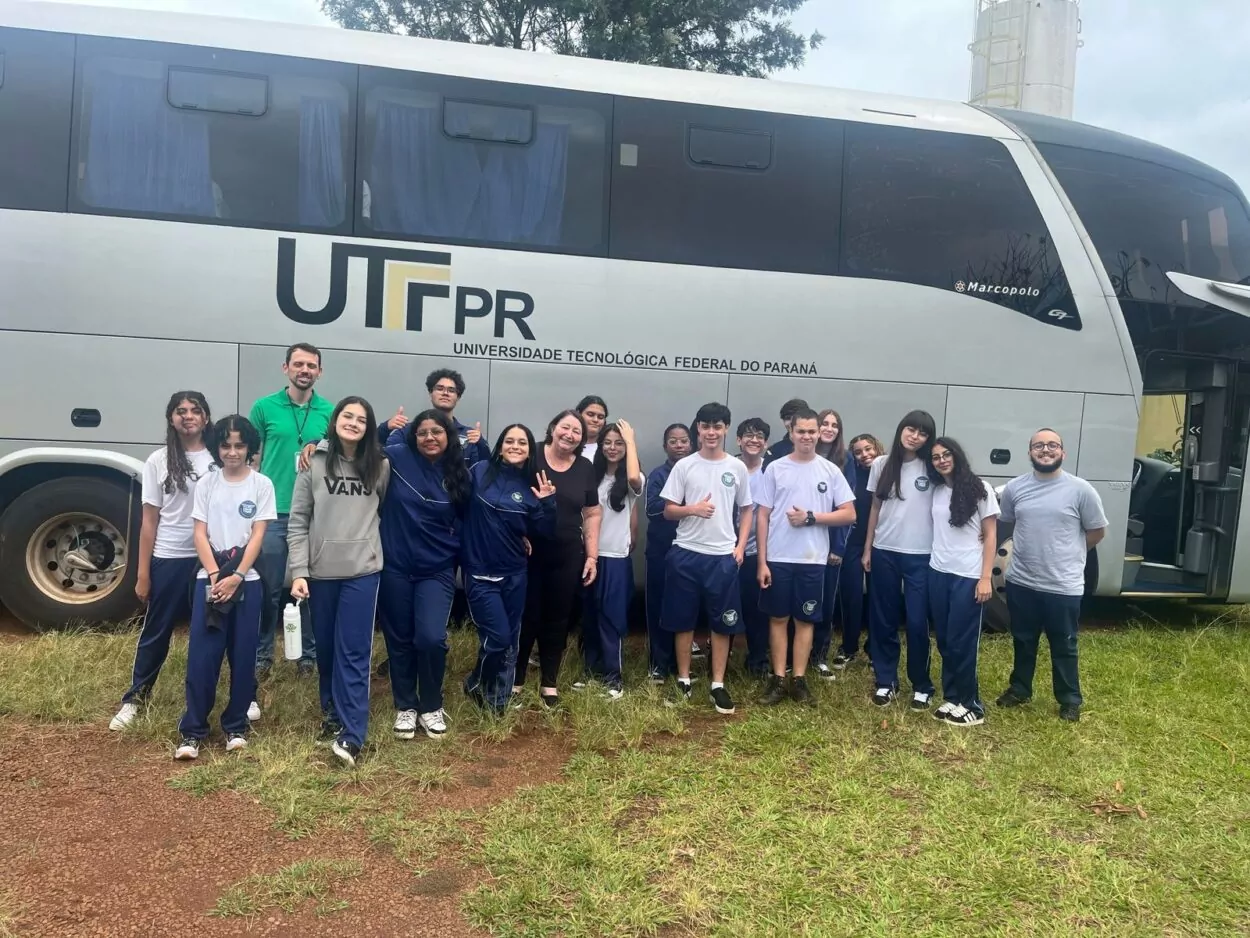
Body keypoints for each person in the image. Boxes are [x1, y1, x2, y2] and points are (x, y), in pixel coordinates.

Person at [288, 397, 389, 768]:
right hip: (321, 572)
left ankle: (352, 733)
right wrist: (299, 571)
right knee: (327, 649)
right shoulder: (312, 462)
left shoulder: (379, 465)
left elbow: (382, 510)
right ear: (335, 421)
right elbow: (298, 521)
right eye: (348, 416)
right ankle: (330, 713)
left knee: (355, 652)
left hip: (363, 571)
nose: (354, 423)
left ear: (369, 427)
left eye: (362, 419)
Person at [110, 392, 215, 732]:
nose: (188, 416)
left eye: (195, 410)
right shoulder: (158, 460)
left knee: (210, 631)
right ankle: (136, 698)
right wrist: (142, 574)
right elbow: (149, 521)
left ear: (206, 418)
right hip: (169, 557)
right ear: (171, 419)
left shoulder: (220, 456)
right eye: (180, 411)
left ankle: (207, 701)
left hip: (210, 560)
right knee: (158, 630)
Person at [175, 415, 275, 760]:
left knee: (243, 656)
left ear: (249, 447)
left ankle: (236, 726)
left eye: (239, 445)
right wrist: (217, 575)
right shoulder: (207, 483)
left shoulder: (262, 484)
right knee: (203, 658)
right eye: (226, 445)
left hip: (248, 581)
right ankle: (192, 731)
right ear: (217, 447)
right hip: (211, 581)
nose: (232, 452)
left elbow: (258, 534)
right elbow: (199, 532)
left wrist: (237, 576)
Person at [996, 428, 1107, 722]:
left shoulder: (1082, 490)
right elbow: (1007, 520)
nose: (1046, 450)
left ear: (1062, 452)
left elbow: (1096, 531)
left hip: (1063, 584)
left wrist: (1071, 553)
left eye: (1052, 445)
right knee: (1023, 639)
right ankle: (1019, 690)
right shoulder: (1015, 488)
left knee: (1064, 644)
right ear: (1030, 452)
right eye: (1039, 446)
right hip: (1021, 580)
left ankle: (1069, 700)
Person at [378, 409, 470, 740]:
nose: (429, 438)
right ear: (412, 437)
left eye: (436, 432)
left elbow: (471, 520)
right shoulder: (397, 457)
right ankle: (406, 706)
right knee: (399, 638)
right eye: (422, 433)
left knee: (431, 638)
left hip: (437, 570)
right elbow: (358, 447)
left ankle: (431, 704)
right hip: (395, 567)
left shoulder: (459, 472)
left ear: (448, 436)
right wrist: (317, 444)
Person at [756, 409, 856, 706]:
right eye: (801, 431)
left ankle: (799, 680)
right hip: (778, 556)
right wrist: (762, 561)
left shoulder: (830, 470)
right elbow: (762, 516)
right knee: (778, 618)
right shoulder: (775, 468)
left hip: (813, 559)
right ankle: (778, 678)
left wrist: (812, 518)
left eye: (812, 431)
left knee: (805, 619)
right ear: (791, 433)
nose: (807, 436)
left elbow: (849, 513)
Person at [659, 401, 753, 715]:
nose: (711, 432)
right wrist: (693, 510)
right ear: (697, 429)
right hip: (686, 553)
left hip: (722, 557)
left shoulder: (736, 467)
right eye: (706, 426)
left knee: (723, 623)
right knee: (682, 620)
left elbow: (748, 509)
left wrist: (740, 547)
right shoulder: (685, 466)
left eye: (718, 426)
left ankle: (717, 684)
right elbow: (668, 510)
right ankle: (684, 679)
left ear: (726, 430)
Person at [249, 343, 333, 684]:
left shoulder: (329, 410)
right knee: (266, 589)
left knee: (309, 588)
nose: (305, 370)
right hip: (271, 514)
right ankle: (261, 655)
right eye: (298, 364)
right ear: (286, 368)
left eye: (311, 365)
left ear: (319, 372)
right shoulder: (263, 407)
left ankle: (308, 658)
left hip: (312, 515)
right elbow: (252, 459)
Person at [462, 425, 557, 714]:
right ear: (500, 445)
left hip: (515, 574)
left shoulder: (532, 485)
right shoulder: (478, 472)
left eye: (522, 442)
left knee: (509, 640)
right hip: (480, 573)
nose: (516, 446)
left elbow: (543, 532)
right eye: (509, 441)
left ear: (530, 450)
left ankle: (497, 700)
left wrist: (547, 503)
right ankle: (477, 681)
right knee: (498, 638)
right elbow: (457, 506)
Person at [514, 410, 602, 707]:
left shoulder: (585, 468)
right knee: (526, 615)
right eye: (565, 427)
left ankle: (549, 683)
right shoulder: (532, 454)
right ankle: (516, 679)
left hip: (567, 553)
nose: (570, 434)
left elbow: (591, 512)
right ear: (553, 428)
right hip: (527, 550)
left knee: (558, 618)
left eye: (577, 431)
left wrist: (592, 555)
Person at [863, 410, 937, 710]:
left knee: (918, 621)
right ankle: (885, 681)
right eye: (910, 429)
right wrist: (868, 548)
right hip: (885, 552)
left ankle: (922, 684)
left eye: (922, 433)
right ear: (901, 429)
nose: (914, 436)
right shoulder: (881, 464)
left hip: (922, 556)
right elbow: (874, 509)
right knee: (883, 619)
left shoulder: (932, 466)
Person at [926, 437, 999, 727]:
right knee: (944, 639)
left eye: (946, 454)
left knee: (962, 641)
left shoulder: (979, 489)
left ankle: (972, 705)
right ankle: (952, 697)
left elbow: (991, 534)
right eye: (935, 457)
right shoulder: (936, 491)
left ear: (956, 456)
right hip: (938, 571)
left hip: (968, 575)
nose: (942, 460)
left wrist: (985, 578)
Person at [578, 420, 643, 699]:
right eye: (608, 442)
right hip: (589, 557)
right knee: (590, 616)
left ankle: (613, 678)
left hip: (615, 559)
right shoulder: (591, 477)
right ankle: (591, 671)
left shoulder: (632, 479)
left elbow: (633, 479)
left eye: (619, 443)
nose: (612, 448)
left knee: (611, 618)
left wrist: (631, 440)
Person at [810, 408, 858, 679]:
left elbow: (847, 510)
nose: (829, 428)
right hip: (801, 540)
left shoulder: (845, 460)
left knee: (826, 602)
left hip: (831, 542)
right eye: (824, 423)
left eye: (834, 425)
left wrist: (838, 548)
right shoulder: (803, 457)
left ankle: (819, 656)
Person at [643, 423, 691, 683]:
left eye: (684, 441)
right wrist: (684, 504)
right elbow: (652, 510)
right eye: (673, 441)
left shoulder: (698, 472)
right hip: (660, 551)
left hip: (689, 552)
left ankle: (679, 663)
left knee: (684, 608)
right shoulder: (658, 475)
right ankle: (658, 664)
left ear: (691, 444)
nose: (679, 446)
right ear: (665, 446)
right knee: (657, 605)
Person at [831, 433, 883, 669]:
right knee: (851, 597)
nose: (865, 455)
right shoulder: (852, 475)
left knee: (878, 598)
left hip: (881, 544)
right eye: (859, 451)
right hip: (853, 544)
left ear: (877, 448)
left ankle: (874, 649)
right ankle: (848, 647)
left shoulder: (887, 474)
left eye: (869, 449)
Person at [379, 368, 489, 465]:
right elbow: (377, 454)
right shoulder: (408, 430)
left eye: (451, 390)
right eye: (440, 388)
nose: (445, 393)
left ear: (458, 397)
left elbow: (484, 473)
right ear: (430, 393)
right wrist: (385, 428)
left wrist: (481, 444)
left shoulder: (470, 436)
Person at [735, 417, 771, 678]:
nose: (754, 440)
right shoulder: (727, 466)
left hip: (757, 553)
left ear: (766, 443)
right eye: (748, 435)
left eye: (759, 436)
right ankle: (720, 662)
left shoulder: (770, 472)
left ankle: (757, 662)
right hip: (725, 551)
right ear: (738, 440)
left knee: (757, 610)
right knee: (723, 607)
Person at [762, 398, 809, 468]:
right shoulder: (774, 451)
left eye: (796, 418)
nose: (791, 422)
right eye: (787, 418)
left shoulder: (819, 446)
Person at [576, 395, 609, 463]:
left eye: (600, 417)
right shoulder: (566, 444)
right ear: (579, 414)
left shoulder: (609, 450)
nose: (595, 420)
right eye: (590, 414)